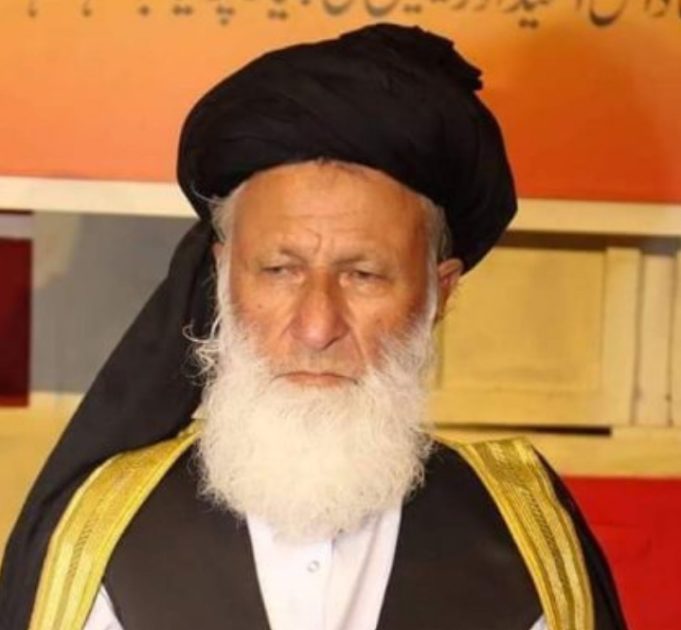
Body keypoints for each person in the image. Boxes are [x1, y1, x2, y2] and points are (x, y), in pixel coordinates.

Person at [0, 23, 627, 630]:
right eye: (279, 270)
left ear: (441, 293)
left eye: (363, 275)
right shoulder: (104, 533)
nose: (317, 326)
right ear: (224, 276)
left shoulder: (524, 537)